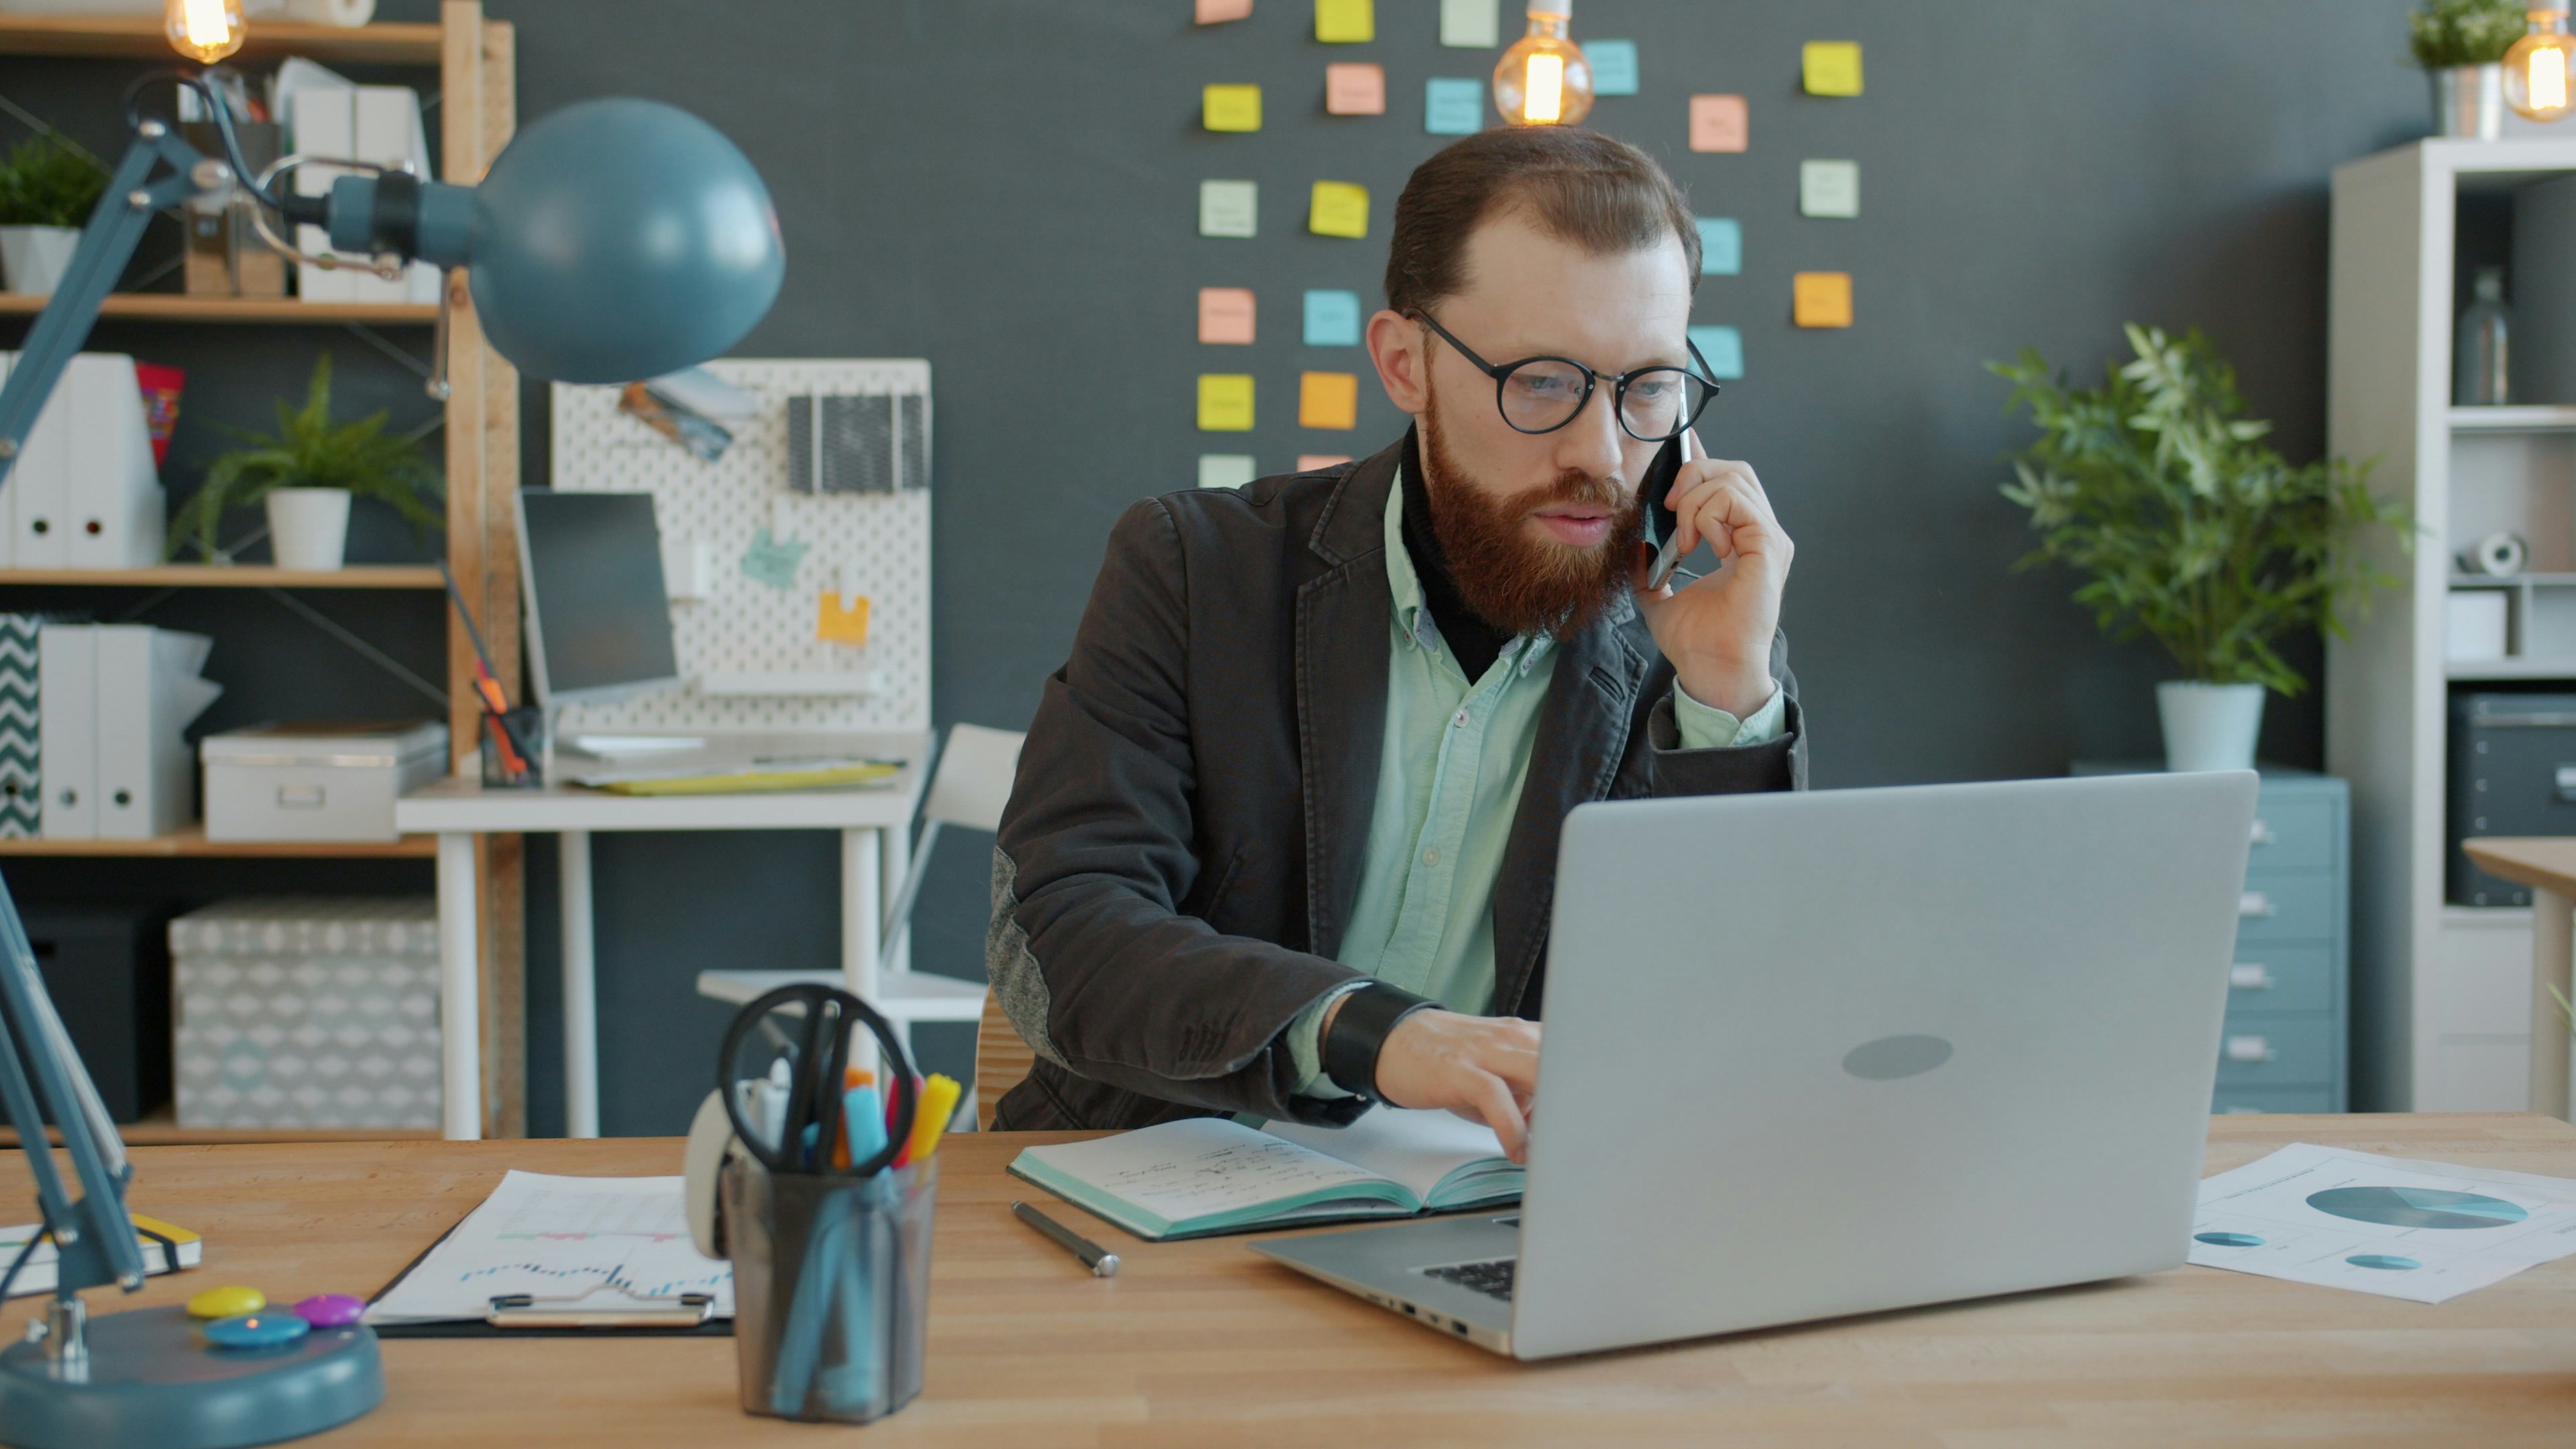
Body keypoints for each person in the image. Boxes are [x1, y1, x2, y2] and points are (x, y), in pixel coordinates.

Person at [985, 126, 1803, 1159]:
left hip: (1494, 1225)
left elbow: (1734, 1023)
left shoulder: (1698, 633)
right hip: (1164, 1202)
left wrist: (1729, 700)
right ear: (1405, 362)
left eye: (1647, 388)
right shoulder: (1194, 570)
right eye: (1544, 381)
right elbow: (1061, 933)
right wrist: (1369, 1031)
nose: (1601, 455)